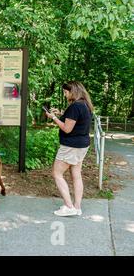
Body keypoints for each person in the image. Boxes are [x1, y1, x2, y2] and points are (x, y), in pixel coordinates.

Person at [46, 81, 93, 217]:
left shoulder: (75, 106)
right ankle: (77, 207)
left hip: (71, 146)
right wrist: (61, 114)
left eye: (66, 92)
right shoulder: (85, 104)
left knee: (57, 174)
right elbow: (75, 121)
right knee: (76, 175)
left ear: (73, 91)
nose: (65, 95)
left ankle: (68, 206)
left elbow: (67, 129)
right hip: (82, 144)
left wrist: (53, 117)